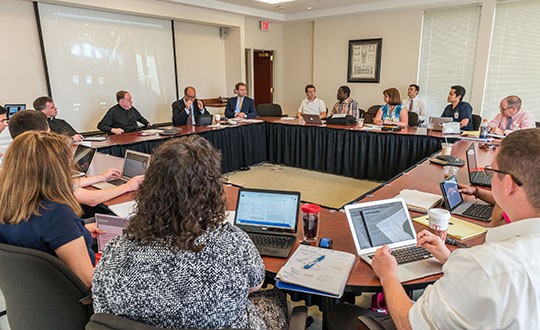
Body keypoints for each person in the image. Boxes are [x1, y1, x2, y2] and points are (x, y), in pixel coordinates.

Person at [328, 128, 540, 329]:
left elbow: (410, 325)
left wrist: (387, 274)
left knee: (339, 313)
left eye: (492, 171)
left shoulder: (485, 266)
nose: (490, 176)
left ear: (509, 185)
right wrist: (449, 258)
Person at [92, 135, 288, 329]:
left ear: (149, 188)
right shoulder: (231, 241)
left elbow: (101, 307)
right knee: (275, 299)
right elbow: (256, 284)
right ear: (211, 190)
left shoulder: (116, 250)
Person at [0, 131, 101, 288]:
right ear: (56, 170)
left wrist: (78, 231)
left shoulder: (7, 204)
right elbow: (88, 281)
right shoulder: (55, 213)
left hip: (31, 298)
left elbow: (34, 238)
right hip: (74, 303)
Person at [8, 109, 143, 208]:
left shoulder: (13, 165)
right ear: (41, 134)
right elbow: (92, 199)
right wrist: (128, 186)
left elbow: (65, 184)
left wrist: (101, 178)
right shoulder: (41, 167)